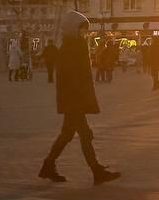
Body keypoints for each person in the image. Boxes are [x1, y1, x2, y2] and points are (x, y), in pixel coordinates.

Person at [39, 11, 122, 185]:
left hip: (73, 99)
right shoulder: (73, 47)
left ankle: (48, 165)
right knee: (85, 134)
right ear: (73, 29)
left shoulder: (71, 46)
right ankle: (96, 171)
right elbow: (71, 78)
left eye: (85, 30)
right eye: (83, 30)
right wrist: (80, 100)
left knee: (68, 134)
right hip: (74, 100)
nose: (85, 33)